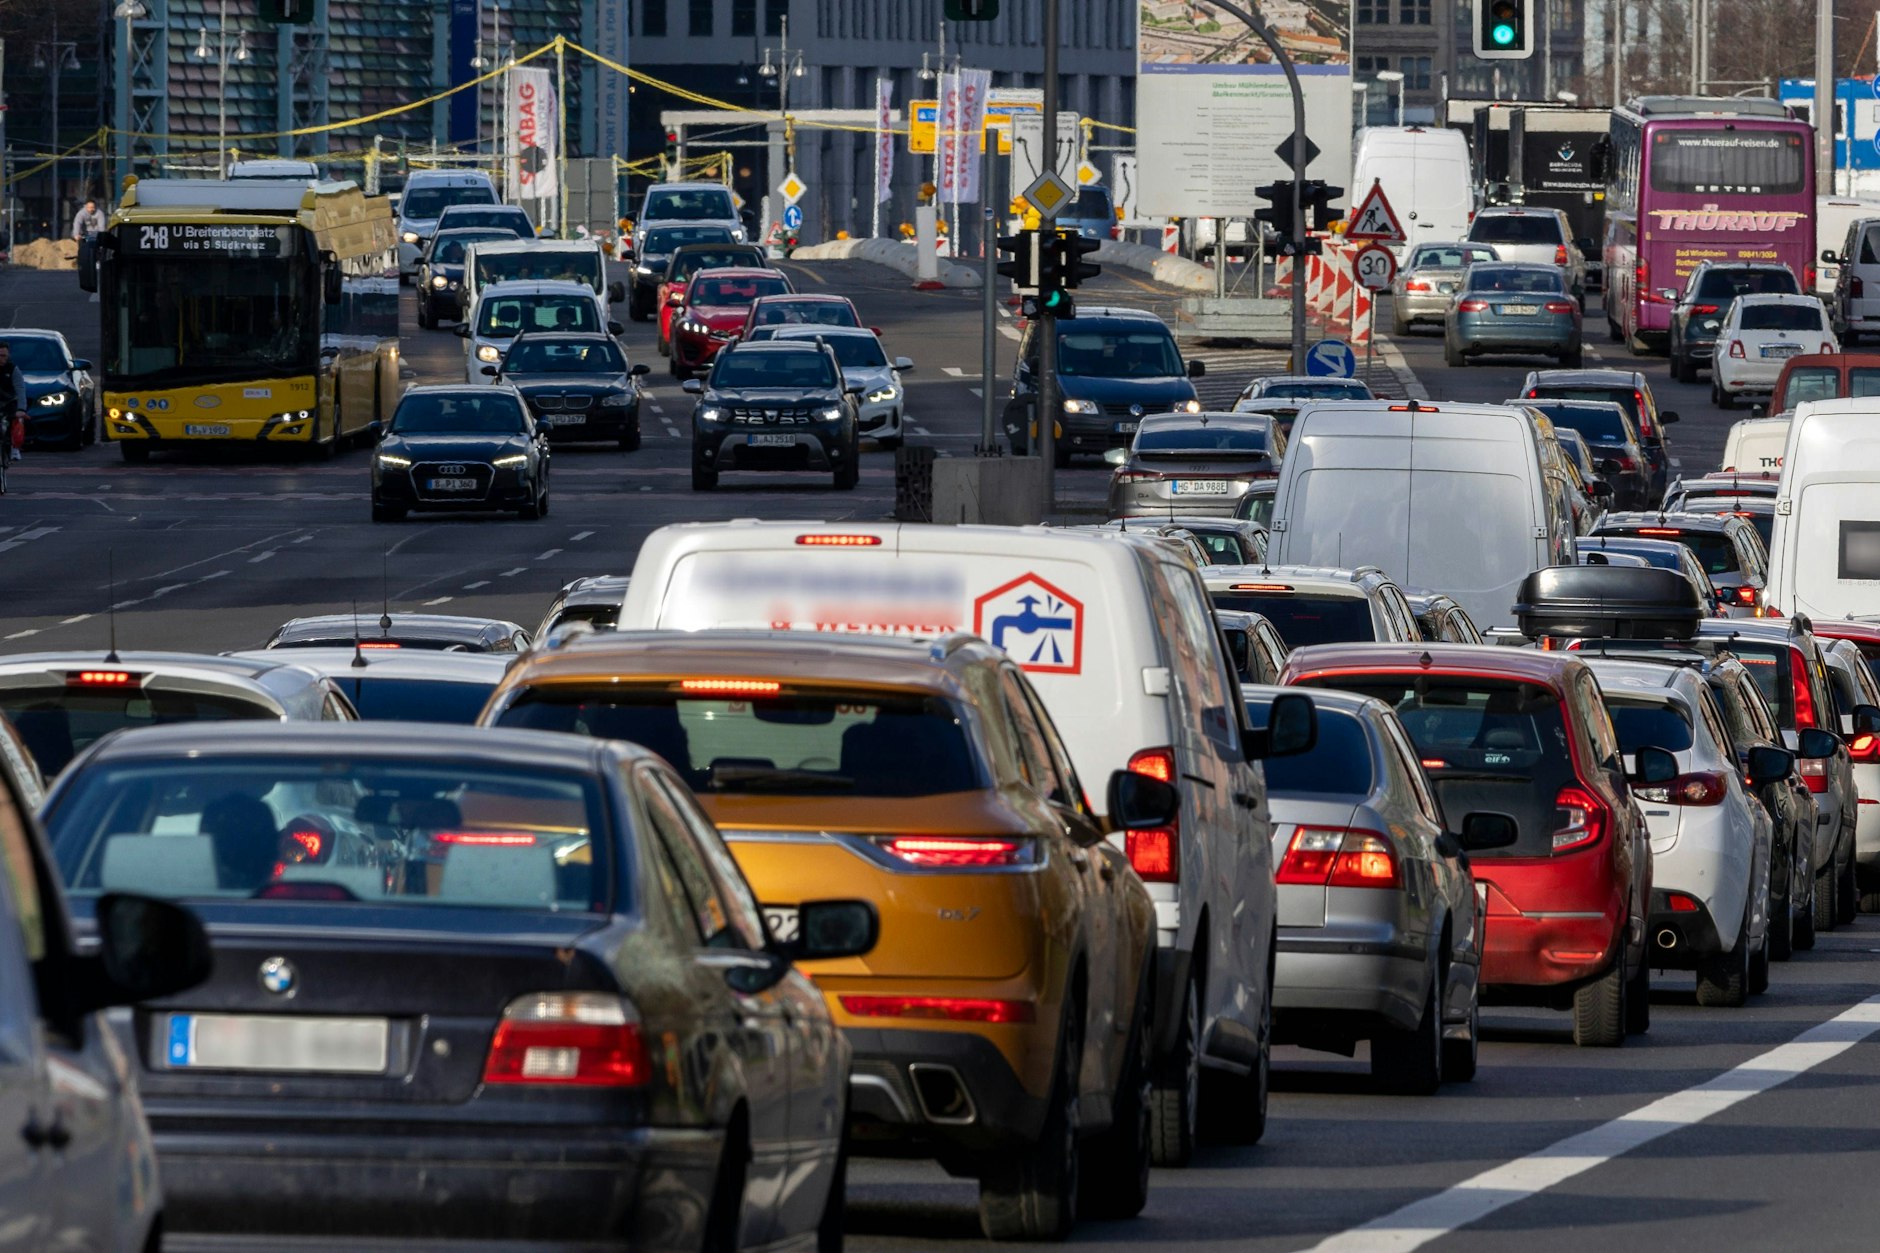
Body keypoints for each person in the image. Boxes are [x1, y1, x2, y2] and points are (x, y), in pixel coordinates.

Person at [0, 343, 22, 463]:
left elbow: (20, 389)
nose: (3, 359)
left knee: (16, 420)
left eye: (5, 356)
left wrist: (21, 409)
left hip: (9, 401)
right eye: (0, 356)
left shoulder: (13, 369)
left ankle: (15, 448)